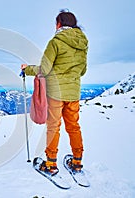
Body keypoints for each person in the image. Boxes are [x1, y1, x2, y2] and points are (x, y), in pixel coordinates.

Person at [21, 10, 88, 175]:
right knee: (73, 127)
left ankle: (51, 164)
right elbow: (83, 70)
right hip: (73, 93)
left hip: (56, 94)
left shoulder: (55, 42)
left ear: (59, 24)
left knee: (53, 127)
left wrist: (27, 69)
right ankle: (77, 161)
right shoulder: (83, 44)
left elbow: (44, 69)